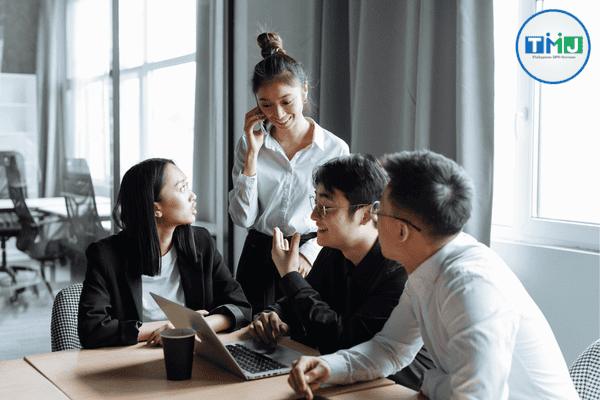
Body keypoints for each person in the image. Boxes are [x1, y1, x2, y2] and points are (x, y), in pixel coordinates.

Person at [287, 150, 580, 399]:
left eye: (379, 211)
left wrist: (434, 382)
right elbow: (391, 349)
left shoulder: (471, 287)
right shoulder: (426, 266)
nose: (372, 218)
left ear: (401, 231)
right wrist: (330, 368)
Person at [248, 154, 434, 391]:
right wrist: (274, 315)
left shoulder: (398, 272)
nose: (314, 216)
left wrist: (290, 276)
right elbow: (307, 303)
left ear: (366, 214)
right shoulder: (335, 251)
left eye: (325, 207)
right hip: (347, 383)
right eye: (314, 204)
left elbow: (346, 342)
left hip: (397, 389)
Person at [229, 31, 349, 313]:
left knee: (305, 339)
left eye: (286, 101)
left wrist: (308, 256)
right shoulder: (250, 144)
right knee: (250, 338)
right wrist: (252, 155)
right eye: (265, 105)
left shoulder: (334, 149)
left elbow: (339, 215)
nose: (278, 115)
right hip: (259, 256)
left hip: (311, 256)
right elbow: (241, 217)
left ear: (304, 91)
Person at [79, 158, 251, 349]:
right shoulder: (105, 255)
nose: (192, 195)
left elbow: (241, 308)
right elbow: (92, 330)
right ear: (156, 209)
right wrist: (163, 328)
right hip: (130, 362)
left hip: (192, 355)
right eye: (182, 188)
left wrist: (192, 326)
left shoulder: (201, 243)